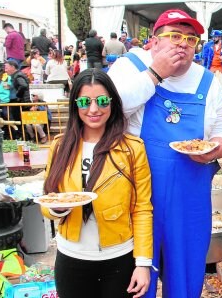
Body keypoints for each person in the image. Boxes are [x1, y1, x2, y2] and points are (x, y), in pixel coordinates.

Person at [107, 8, 222, 298]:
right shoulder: (130, 66)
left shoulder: (208, 80)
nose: (182, 44)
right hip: (136, 192)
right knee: (136, 278)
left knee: (186, 276)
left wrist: (215, 151)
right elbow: (107, 111)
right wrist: (155, 73)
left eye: (191, 39)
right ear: (154, 41)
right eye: (174, 36)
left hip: (190, 195)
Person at [40, 69, 153, 298]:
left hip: (119, 259)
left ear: (112, 103)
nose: (94, 109)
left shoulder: (132, 149)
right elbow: (47, 200)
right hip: (71, 258)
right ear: (75, 105)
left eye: (102, 101)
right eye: (84, 102)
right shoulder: (60, 147)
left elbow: (142, 208)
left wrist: (142, 263)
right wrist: (56, 208)